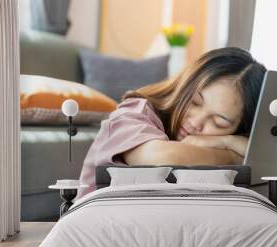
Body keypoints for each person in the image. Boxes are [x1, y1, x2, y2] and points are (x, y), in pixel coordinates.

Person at [78, 47, 266, 198]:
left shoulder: (228, 142)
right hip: (92, 228)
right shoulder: (134, 112)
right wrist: (233, 156)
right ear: (184, 86)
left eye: (219, 122)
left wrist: (228, 142)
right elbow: (158, 159)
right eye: (195, 102)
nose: (196, 122)